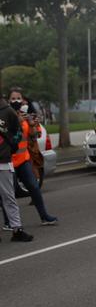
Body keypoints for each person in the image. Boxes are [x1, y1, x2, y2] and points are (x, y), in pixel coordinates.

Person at [7, 88, 58, 225]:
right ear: (8, 101)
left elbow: (33, 136)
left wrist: (32, 125)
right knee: (7, 194)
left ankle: (44, 216)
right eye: (13, 99)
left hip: (23, 159)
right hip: (8, 162)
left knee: (34, 187)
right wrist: (16, 120)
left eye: (18, 98)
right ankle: (8, 222)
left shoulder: (24, 116)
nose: (16, 101)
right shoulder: (6, 115)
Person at [0, 95, 33, 241]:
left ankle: (17, 229)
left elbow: (18, 132)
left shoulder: (7, 111)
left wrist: (10, 147)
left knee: (8, 197)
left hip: (3, 161)